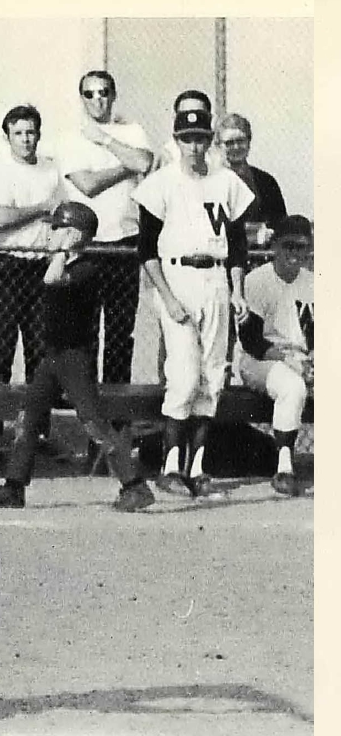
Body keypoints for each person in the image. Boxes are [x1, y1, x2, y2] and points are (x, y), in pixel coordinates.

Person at [0, 202, 156, 512]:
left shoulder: (87, 268)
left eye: (56, 229)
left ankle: (134, 485)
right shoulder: (62, 263)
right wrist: (60, 252)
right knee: (29, 418)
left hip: (74, 359)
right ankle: (13, 487)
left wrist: (64, 251)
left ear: (75, 235)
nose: (50, 235)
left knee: (94, 424)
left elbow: (52, 280)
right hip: (52, 357)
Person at [132, 107, 254, 498]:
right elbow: (146, 249)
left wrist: (236, 290)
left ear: (211, 140)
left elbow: (237, 246)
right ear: (177, 141)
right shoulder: (161, 183)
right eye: (187, 138)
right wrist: (167, 297)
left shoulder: (226, 182)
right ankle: (170, 467)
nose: (194, 146)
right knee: (183, 376)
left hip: (215, 278)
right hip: (177, 277)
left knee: (212, 376)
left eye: (201, 137)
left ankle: (197, 468)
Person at [60, 70, 154, 387]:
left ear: (113, 95)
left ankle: (117, 416)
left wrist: (106, 141)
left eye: (103, 92)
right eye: (90, 94)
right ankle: (88, 412)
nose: (97, 99)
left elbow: (144, 163)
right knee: (85, 331)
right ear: (81, 98)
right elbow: (86, 185)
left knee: (120, 331)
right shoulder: (72, 138)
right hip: (87, 246)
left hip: (125, 242)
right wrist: (124, 164)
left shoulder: (131, 130)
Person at [0, 105, 63, 387]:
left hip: (41, 264)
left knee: (40, 351)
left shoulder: (51, 167)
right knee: (2, 348)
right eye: (18, 133)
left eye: (30, 132)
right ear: (7, 137)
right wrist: (43, 208)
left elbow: (62, 214)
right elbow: (2, 218)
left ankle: (33, 427)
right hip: (9, 265)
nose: (25, 139)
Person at [236, 215, 313, 496]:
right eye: (288, 246)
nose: (295, 253)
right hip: (260, 360)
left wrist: (313, 361)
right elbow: (250, 340)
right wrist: (289, 361)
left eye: (301, 247)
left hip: (301, 358)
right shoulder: (257, 280)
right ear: (275, 247)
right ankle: (284, 468)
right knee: (292, 388)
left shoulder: (313, 282)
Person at [216, 113, 287, 248]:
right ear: (218, 145)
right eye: (229, 143)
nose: (236, 147)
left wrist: (270, 233)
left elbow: (280, 224)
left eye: (241, 141)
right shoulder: (209, 181)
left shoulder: (266, 182)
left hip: (258, 258)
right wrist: (252, 234)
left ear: (249, 142)